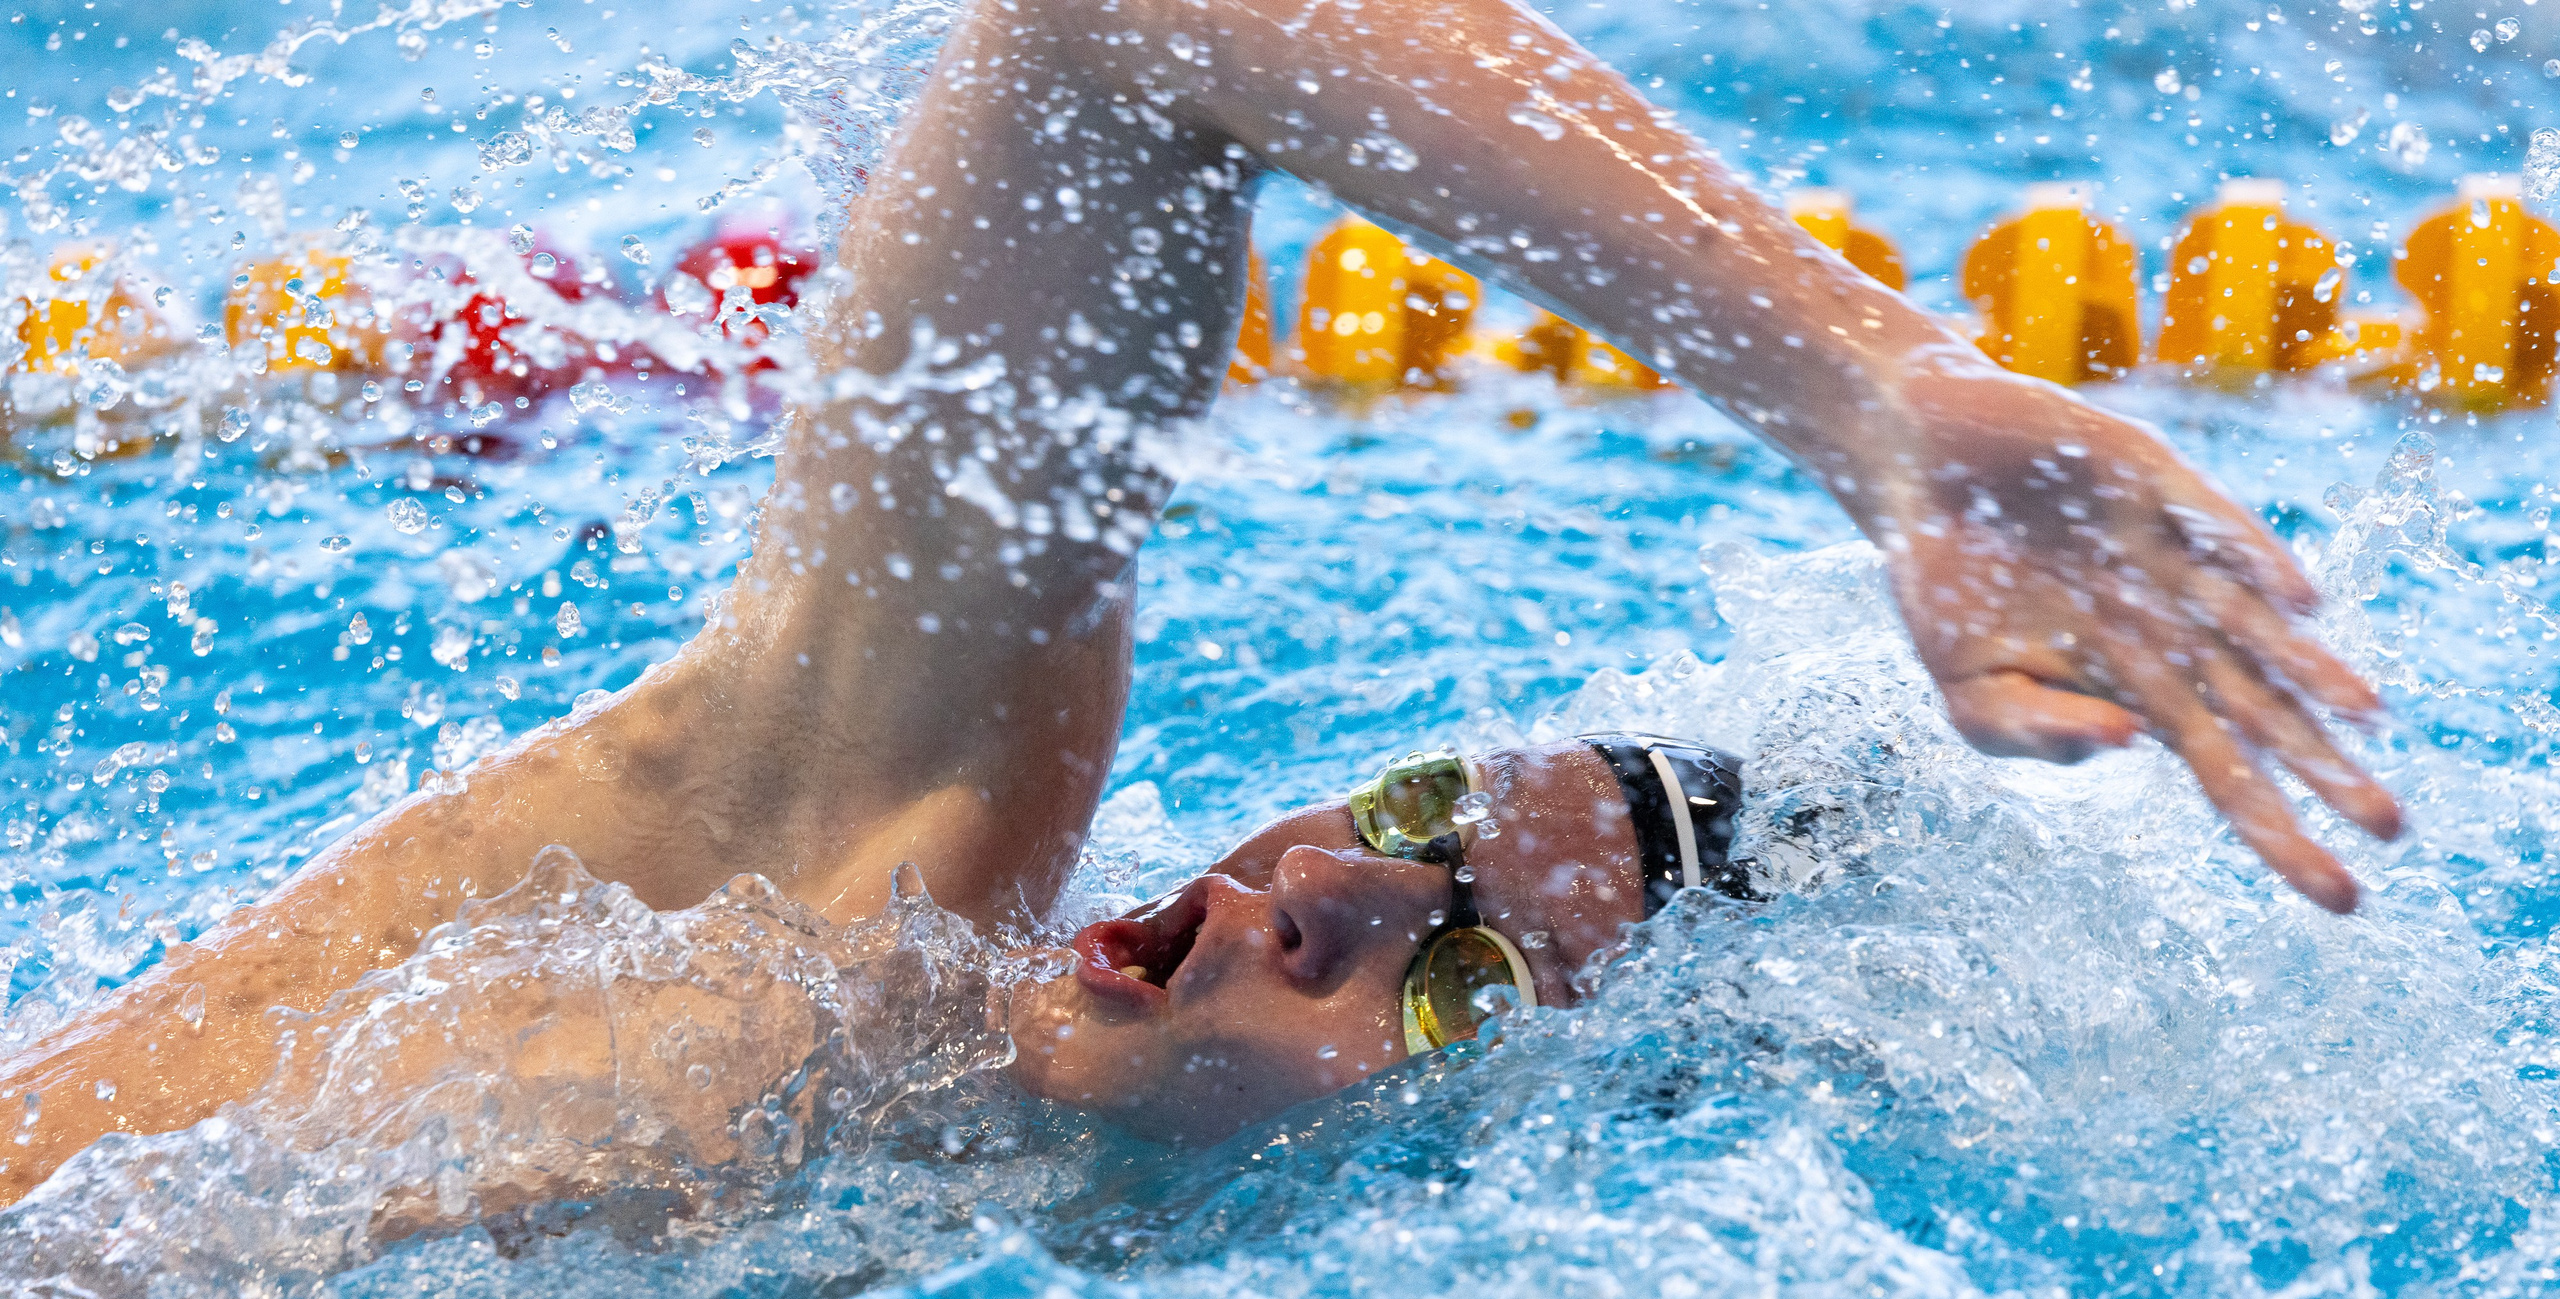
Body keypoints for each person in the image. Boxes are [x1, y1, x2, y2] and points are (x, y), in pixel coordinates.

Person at [0, 0, 2401, 1212]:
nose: (1322, 886)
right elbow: (1113, 31)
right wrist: (1878, 393)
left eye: (1452, 962)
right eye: (1425, 808)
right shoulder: (854, 861)